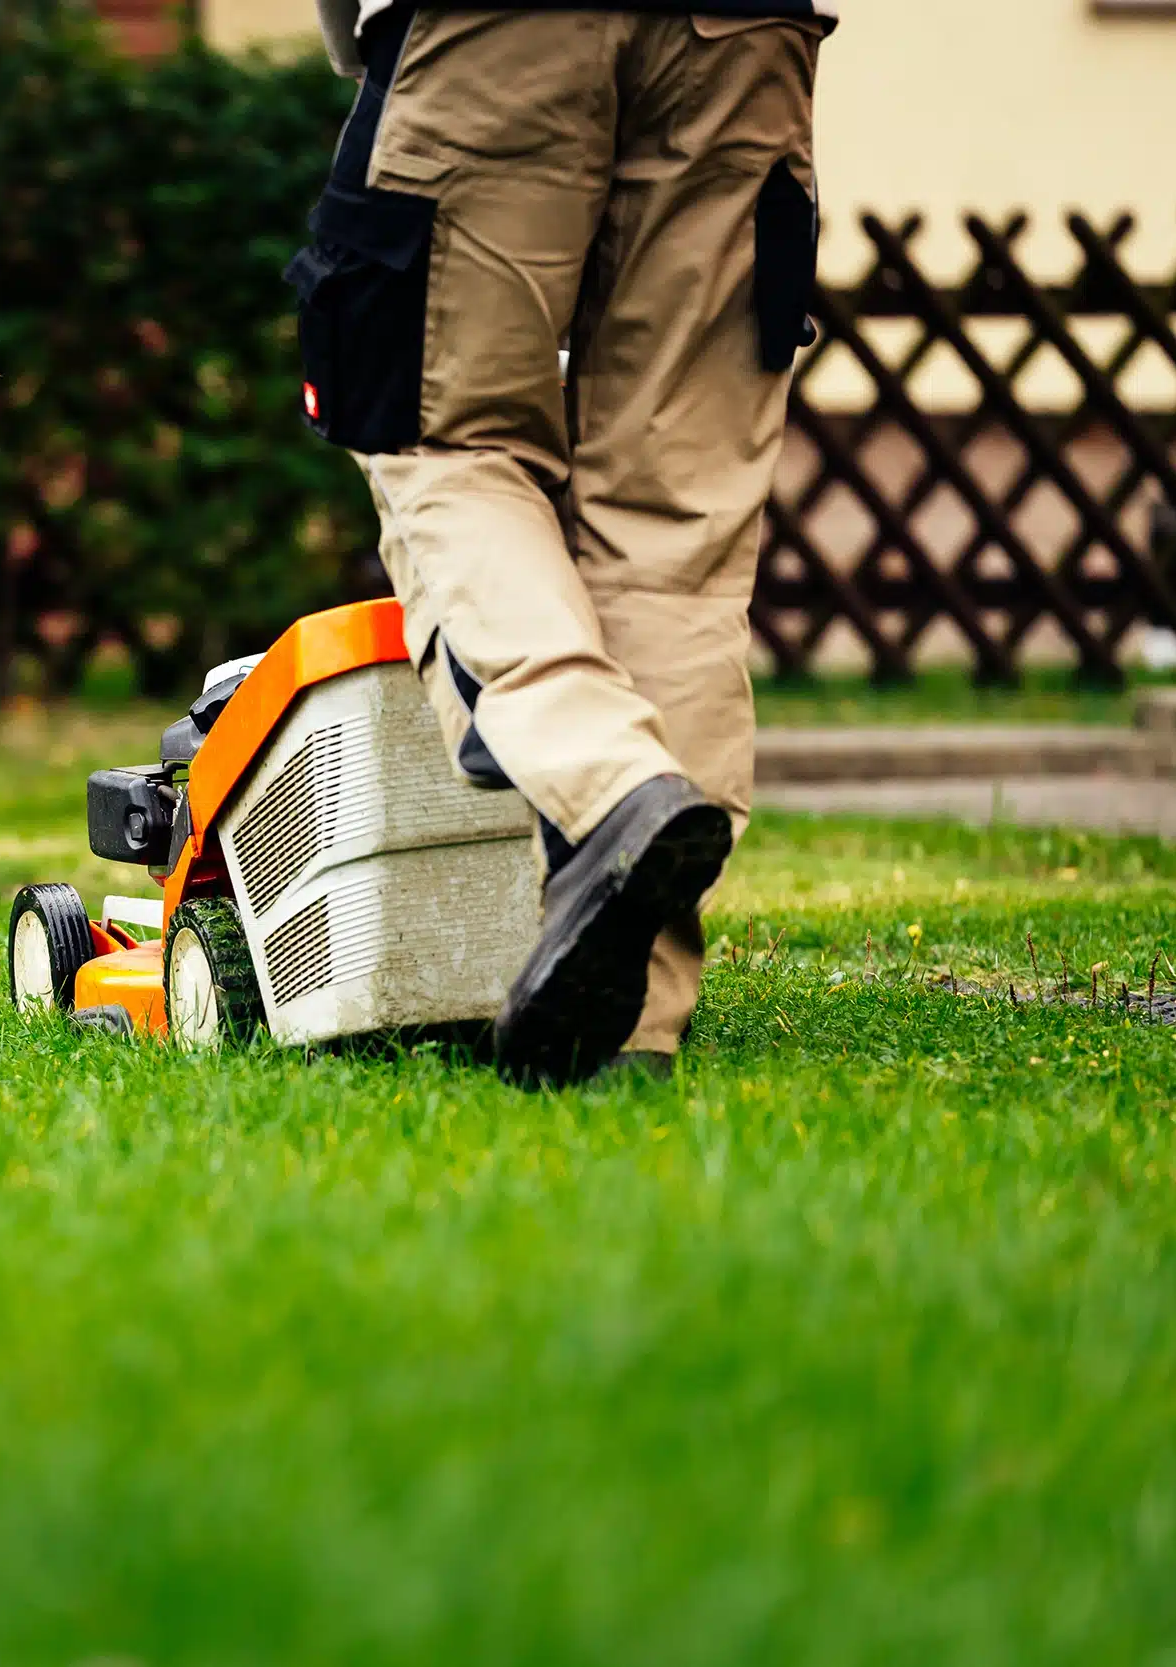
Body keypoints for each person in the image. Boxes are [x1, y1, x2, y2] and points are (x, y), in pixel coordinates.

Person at [288, 0, 833, 1087]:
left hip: (497, 28)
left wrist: (359, 40)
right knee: (672, 528)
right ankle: (629, 1026)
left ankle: (607, 781)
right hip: (747, 43)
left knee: (444, 440)